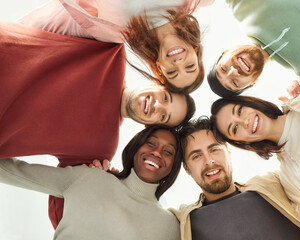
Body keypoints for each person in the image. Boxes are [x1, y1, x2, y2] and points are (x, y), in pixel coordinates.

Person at [0, 22, 195, 228]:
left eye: (163, 116)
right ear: (156, 82)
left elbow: (64, 211)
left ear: (151, 128)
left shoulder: (101, 147)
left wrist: (100, 184)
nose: (157, 105)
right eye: (164, 97)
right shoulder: (112, 49)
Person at [210, 50, 300, 238]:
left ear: (250, 102)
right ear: (242, 142)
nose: (244, 121)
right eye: (234, 128)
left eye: (239, 110)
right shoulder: (292, 182)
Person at [0, 125, 182, 240]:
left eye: (168, 152)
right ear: (136, 147)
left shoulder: (169, 225)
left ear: (173, 167)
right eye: (151, 143)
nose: (157, 153)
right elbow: (12, 171)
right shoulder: (88, 176)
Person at [169, 117, 300, 240]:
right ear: (186, 168)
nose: (209, 161)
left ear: (229, 153)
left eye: (214, 149)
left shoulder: (274, 183)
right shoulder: (183, 220)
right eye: (196, 156)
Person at [19, 0, 215, 92]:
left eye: (172, 72)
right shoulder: (194, 2)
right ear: (195, 51)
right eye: (189, 66)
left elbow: (50, 25)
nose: (179, 63)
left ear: (159, 67)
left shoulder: (115, 31)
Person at [207, 0, 300, 96]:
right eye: (234, 82)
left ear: (225, 53)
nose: (234, 71)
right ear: (253, 82)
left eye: (223, 69)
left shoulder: (241, 5)